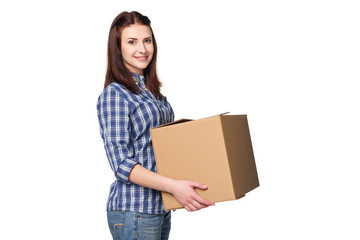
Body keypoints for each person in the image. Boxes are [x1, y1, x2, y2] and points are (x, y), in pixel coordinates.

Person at [97, 11, 214, 240]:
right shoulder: (115, 94)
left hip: (160, 207)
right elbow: (121, 164)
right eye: (132, 42)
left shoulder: (154, 94)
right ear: (117, 48)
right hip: (134, 210)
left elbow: (165, 150)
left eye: (147, 40)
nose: (142, 49)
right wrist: (173, 186)